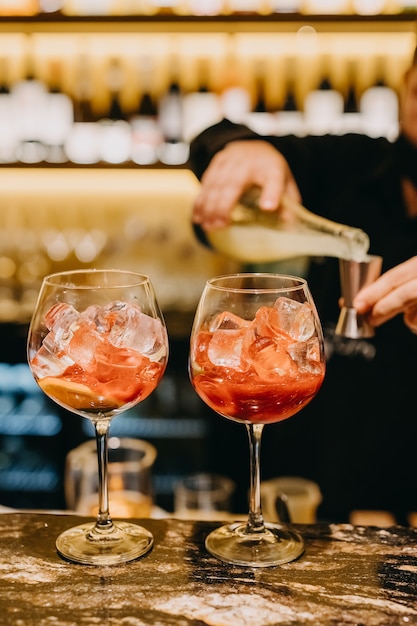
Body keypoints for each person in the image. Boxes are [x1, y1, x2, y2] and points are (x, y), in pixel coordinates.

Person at [187, 48, 417, 524]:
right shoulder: (354, 161)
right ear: (403, 89)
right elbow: (215, 136)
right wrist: (243, 148)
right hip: (310, 448)